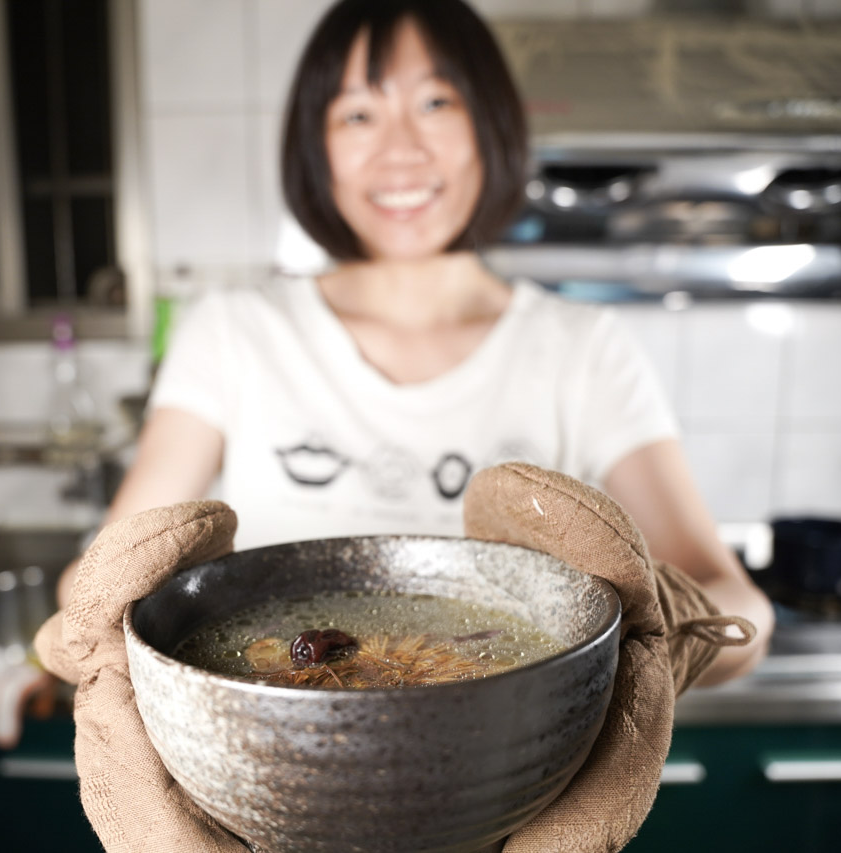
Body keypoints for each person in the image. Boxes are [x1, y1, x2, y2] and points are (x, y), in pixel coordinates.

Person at [58, 0, 772, 684]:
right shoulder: (233, 333)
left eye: (436, 104)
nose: (400, 150)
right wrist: (97, 623)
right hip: (277, 778)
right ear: (317, 146)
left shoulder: (582, 348)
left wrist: (632, 640)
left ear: (490, 127)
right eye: (358, 114)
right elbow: (100, 576)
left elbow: (736, 609)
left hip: (507, 781)